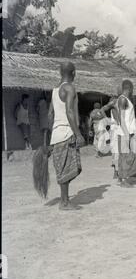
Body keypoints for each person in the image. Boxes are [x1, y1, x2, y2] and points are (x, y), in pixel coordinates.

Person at [48, 62, 85, 210]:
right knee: (66, 167)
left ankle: (65, 200)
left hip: (57, 133)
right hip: (66, 132)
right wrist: (78, 134)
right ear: (74, 73)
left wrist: (52, 133)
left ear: (59, 72)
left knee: (63, 167)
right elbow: (70, 112)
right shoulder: (69, 88)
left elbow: (50, 114)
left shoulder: (55, 90)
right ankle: (64, 203)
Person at [116, 80, 136, 187]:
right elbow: (121, 117)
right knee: (125, 156)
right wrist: (126, 134)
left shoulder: (126, 100)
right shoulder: (122, 99)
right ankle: (124, 180)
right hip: (125, 133)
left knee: (124, 156)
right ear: (130, 88)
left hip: (127, 132)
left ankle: (121, 178)